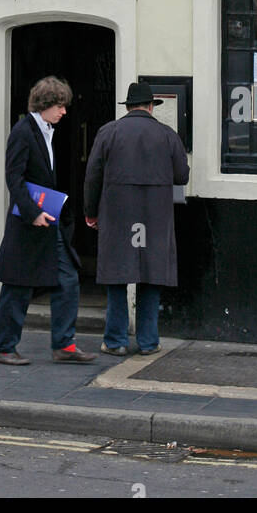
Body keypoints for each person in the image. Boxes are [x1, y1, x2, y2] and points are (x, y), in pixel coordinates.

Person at [0, 75, 94, 365]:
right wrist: (32, 212)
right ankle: (3, 347)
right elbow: (14, 177)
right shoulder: (23, 131)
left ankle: (64, 344)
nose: (64, 111)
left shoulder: (47, 130)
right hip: (28, 224)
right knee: (18, 286)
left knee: (68, 280)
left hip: (51, 223)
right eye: (60, 105)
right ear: (45, 104)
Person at [84, 82, 189, 357]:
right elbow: (182, 176)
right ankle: (148, 342)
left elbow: (92, 176)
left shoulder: (108, 132)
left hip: (117, 215)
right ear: (151, 106)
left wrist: (91, 212)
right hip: (155, 217)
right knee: (151, 276)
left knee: (117, 277)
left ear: (128, 107)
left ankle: (116, 340)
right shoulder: (167, 135)